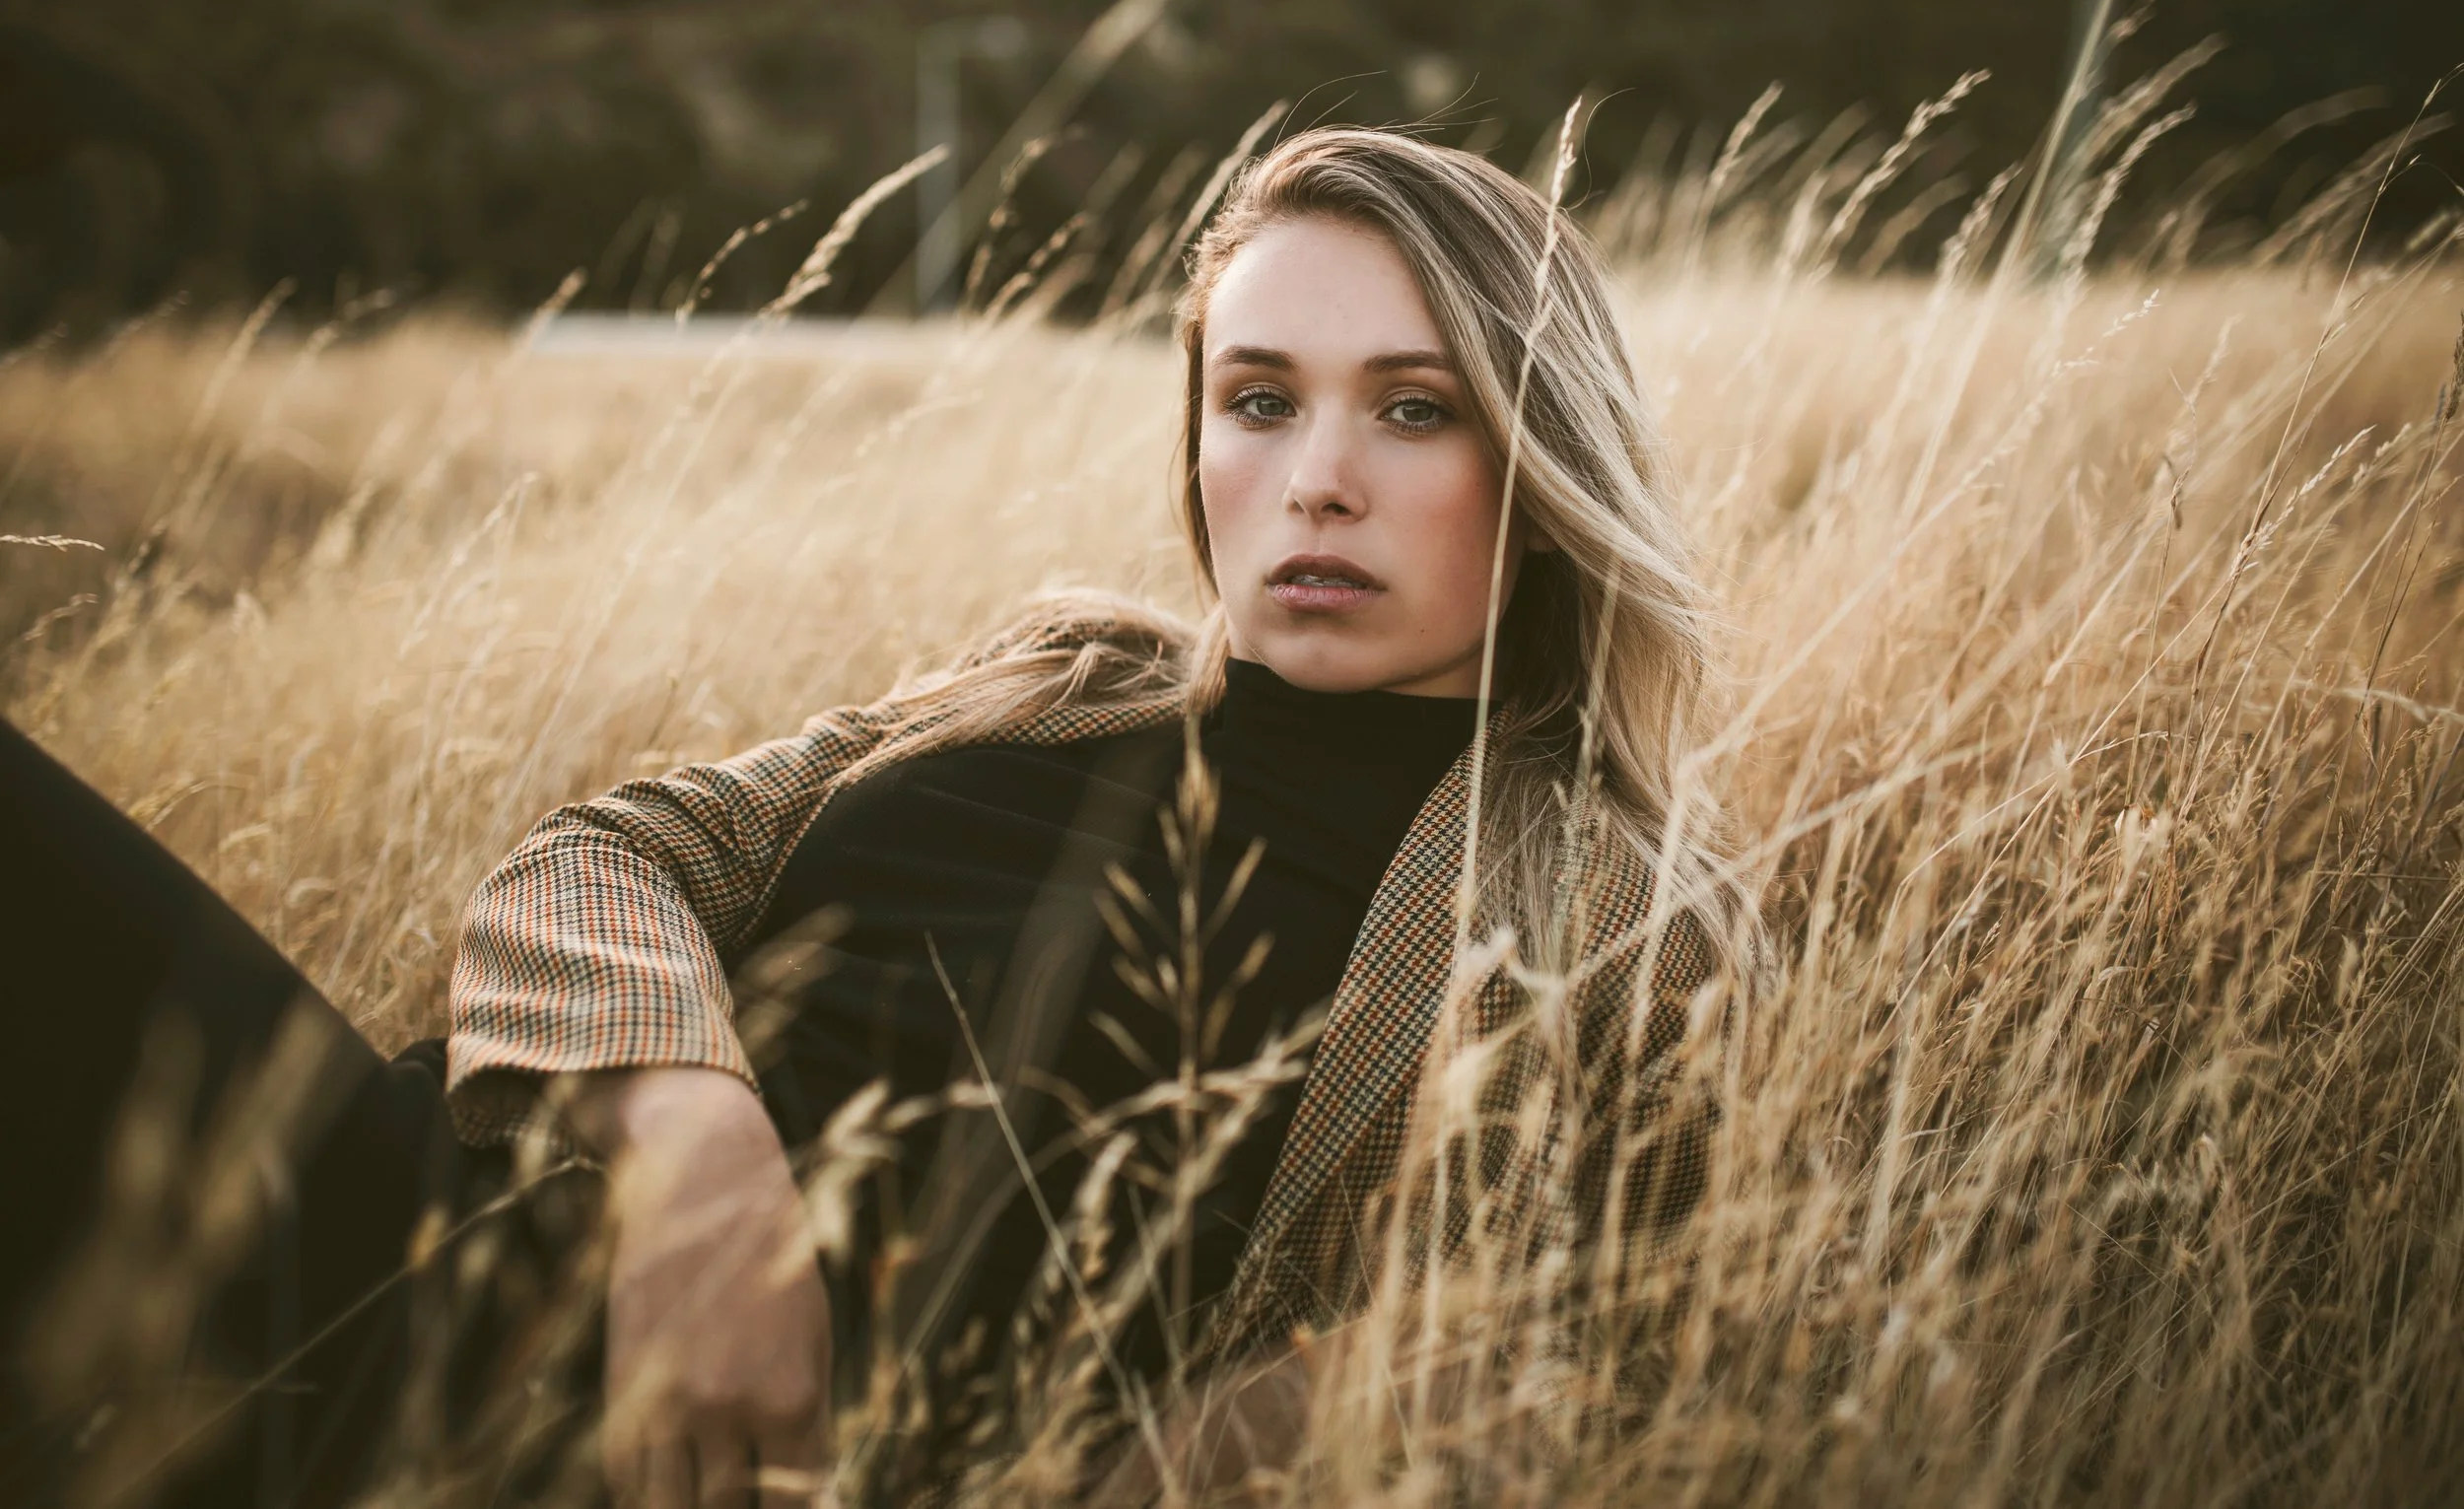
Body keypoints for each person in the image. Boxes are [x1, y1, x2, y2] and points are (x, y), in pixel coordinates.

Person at [1, 126, 1739, 1509]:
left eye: (1414, 408)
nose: (1318, 475)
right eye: (1261, 398)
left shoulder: (1586, 897)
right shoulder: (1069, 673)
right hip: (371, 1228)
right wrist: (697, 1164)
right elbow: (606, 857)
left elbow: (1500, 1347)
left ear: (1544, 462)